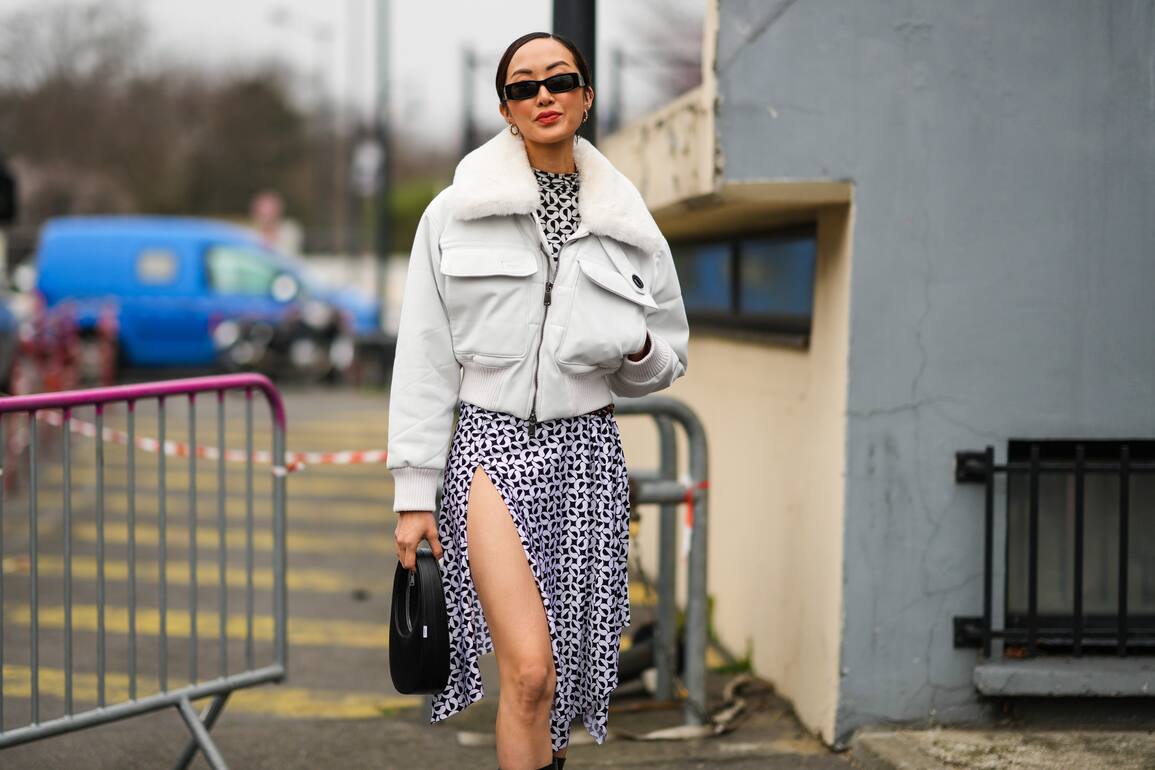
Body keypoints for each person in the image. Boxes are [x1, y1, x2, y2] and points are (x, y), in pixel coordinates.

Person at [389, 31, 689, 770]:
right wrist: (414, 494)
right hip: (491, 448)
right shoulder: (454, 213)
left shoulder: (627, 221)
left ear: (586, 96)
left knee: (562, 679)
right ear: (506, 110)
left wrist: (634, 348)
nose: (543, 96)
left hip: (587, 453)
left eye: (559, 80)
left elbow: (668, 353)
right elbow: (424, 359)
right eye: (523, 87)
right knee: (527, 672)